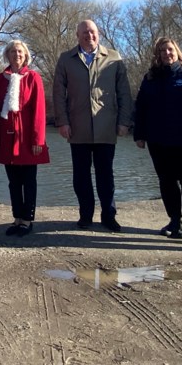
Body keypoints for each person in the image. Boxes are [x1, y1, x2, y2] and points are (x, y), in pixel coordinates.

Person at [53, 19, 133, 232]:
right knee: (81, 175)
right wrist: (62, 122)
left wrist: (124, 121)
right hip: (77, 127)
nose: (90, 35)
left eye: (93, 32)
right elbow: (58, 95)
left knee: (106, 174)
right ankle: (85, 214)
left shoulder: (114, 58)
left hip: (106, 126)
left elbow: (124, 92)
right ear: (77, 36)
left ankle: (109, 215)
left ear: (99, 34)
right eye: (85, 32)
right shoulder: (66, 59)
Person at [133, 37, 182, 239]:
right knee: (166, 181)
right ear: (157, 55)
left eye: (170, 50)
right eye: (162, 51)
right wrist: (139, 134)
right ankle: (174, 220)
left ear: (177, 52)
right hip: (158, 139)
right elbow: (141, 107)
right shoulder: (150, 78)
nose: (167, 53)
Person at [0, 40, 49, 237]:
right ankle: (17, 218)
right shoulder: (0, 79)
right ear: (8, 55)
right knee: (13, 181)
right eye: (13, 52)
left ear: (26, 55)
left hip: (27, 137)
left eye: (20, 52)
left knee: (29, 180)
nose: (17, 55)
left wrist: (38, 140)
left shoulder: (33, 77)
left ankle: (28, 219)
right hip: (6, 137)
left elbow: (39, 111)